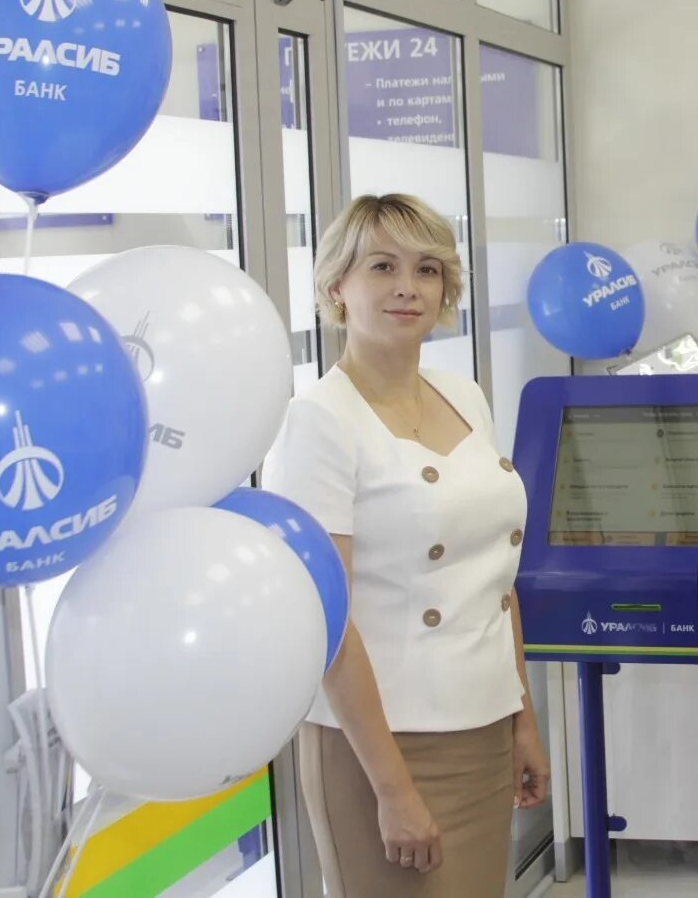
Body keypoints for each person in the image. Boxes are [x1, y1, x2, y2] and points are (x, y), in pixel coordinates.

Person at [261, 193, 549, 898]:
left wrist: (522, 721)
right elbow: (328, 621)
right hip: (380, 743)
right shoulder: (318, 421)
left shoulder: (464, 395)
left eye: (427, 269)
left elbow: (495, 583)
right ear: (338, 286)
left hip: (483, 723)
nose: (407, 287)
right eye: (382, 267)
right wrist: (392, 788)